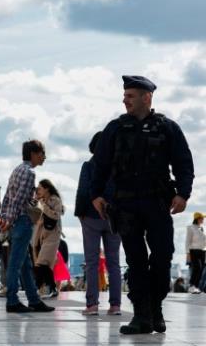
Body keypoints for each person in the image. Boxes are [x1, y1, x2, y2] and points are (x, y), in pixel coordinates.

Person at [91, 75, 194, 335]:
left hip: (157, 203)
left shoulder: (167, 128)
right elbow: (100, 164)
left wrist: (182, 194)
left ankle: (155, 309)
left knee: (162, 257)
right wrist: (96, 195)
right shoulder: (115, 128)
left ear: (146, 97)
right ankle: (141, 315)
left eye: (130, 96)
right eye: (125, 96)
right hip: (125, 204)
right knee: (136, 260)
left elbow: (183, 163)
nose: (124, 100)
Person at [0, 140, 54, 313]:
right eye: (42, 153)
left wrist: (5, 217)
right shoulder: (29, 172)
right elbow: (18, 201)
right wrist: (10, 220)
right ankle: (12, 300)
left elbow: (8, 197)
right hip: (22, 221)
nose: (44, 157)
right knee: (16, 263)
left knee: (25, 264)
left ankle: (33, 299)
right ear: (33, 153)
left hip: (15, 220)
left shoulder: (17, 169)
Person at [75, 130, 122, 315]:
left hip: (91, 217)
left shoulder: (88, 166)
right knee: (114, 263)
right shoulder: (118, 168)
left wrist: (80, 214)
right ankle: (116, 305)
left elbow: (83, 191)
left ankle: (92, 305)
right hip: (113, 219)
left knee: (92, 262)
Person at [32, 179, 64, 298]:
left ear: (47, 189)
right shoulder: (39, 201)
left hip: (52, 234)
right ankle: (52, 288)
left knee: (42, 262)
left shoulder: (55, 200)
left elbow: (55, 215)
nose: (38, 190)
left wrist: (43, 205)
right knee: (41, 264)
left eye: (40, 188)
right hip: (39, 235)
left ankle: (37, 286)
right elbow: (34, 218)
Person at [186, 212, 206, 294]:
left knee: (201, 269)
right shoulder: (190, 228)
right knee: (197, 267)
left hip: (203, 251)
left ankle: (196, 286)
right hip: (194, 250)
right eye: (202, 218)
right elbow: (187, 241)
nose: (203, 219)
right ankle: (191, 285)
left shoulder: (203, 227)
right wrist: (188, 254)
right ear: (197, 218)